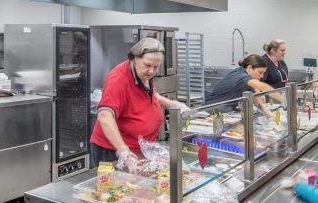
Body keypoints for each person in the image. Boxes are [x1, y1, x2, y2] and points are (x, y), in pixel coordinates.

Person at [89, 38, 190, 168]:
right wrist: (123, 151)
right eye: (148, 65)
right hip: (113, 151)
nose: (152, 71)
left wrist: (172, 104)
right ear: (135, 58)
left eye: (156, 67)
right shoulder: (118, 80)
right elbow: (104, 116)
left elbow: (151, 94)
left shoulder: (143, 74)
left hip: (141, 149)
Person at [203, 54, 277, 117]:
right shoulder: (242, 77)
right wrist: (268, 114)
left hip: (221, 110)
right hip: (210, 113)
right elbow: (259, 93)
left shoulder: (241, 71)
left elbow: (254, 92)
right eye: (260, 72)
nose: (262, 76)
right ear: (250, 68)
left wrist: (259, 94)